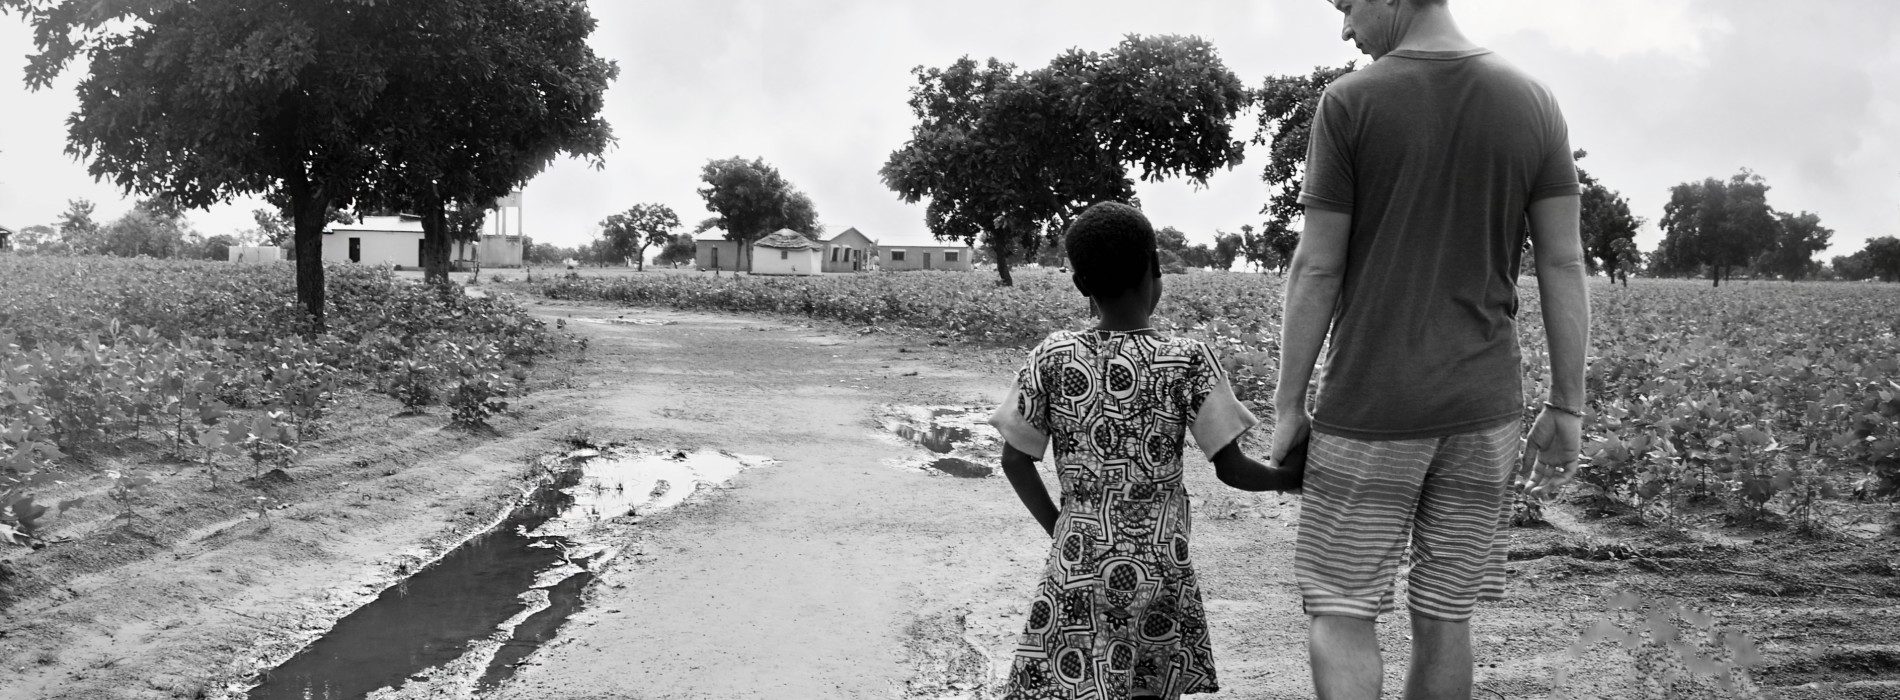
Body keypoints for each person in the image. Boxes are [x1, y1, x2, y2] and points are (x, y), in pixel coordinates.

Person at [1271, 1, 1591, 698]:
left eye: (1347, 5)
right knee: (1447, 615)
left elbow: (1318, 266)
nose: (1346, 28)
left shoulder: (1349, 103)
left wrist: (1289, 403)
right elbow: (1563, 263)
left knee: (1342, 605)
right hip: (1484, 412)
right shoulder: (1534, 100)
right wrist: (1567, 402)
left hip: (1370, 407)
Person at [989, 201, 1302, 700]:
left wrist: (1061, 530)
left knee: (1078, 684)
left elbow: (1014, 460)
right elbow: (1233, 470)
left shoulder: (1051, 355)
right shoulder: (1187, 359)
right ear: (1154, 271)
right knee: (1147, 686)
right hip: (1159, 565)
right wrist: (1292, 476)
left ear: (1081, 285)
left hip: (1078, 560)